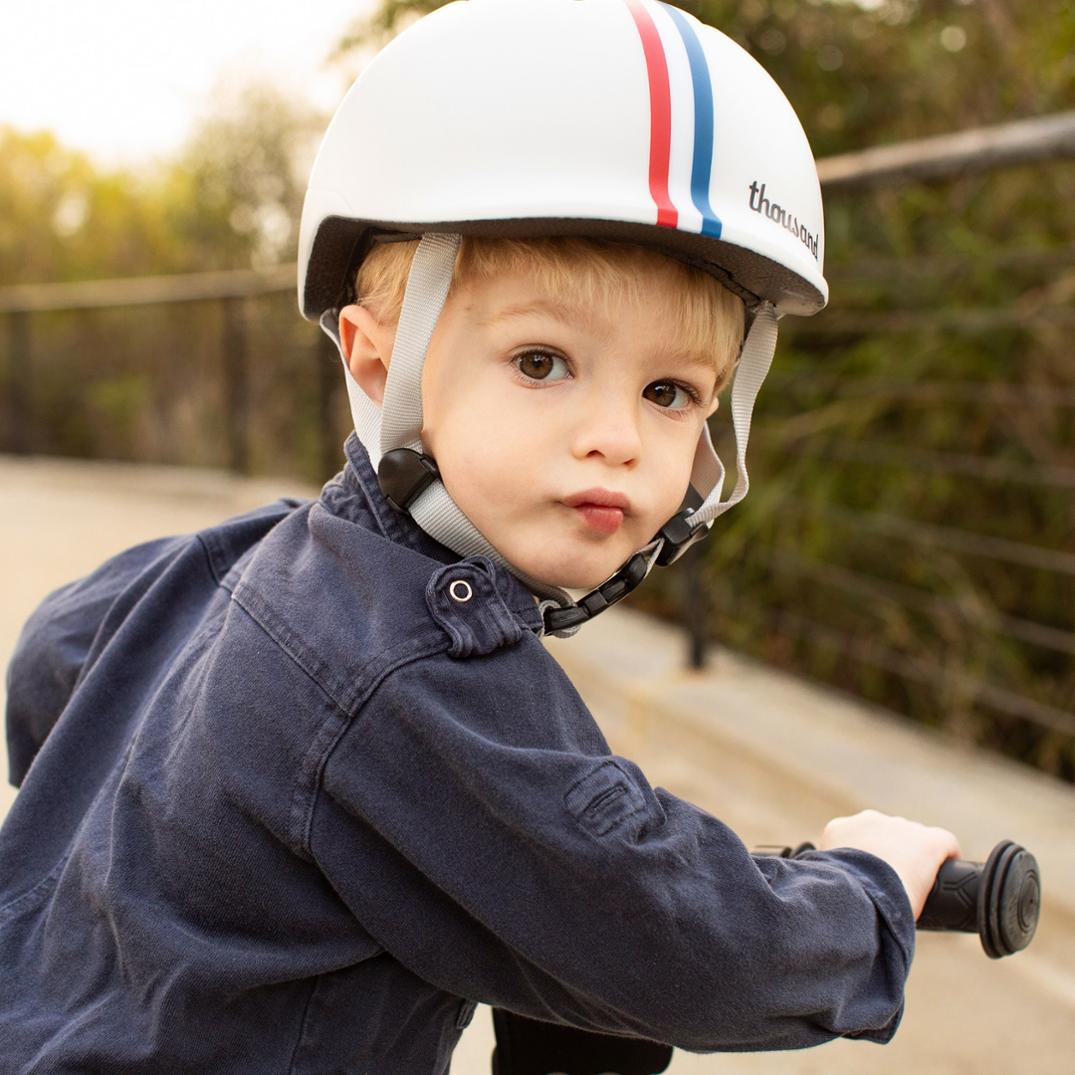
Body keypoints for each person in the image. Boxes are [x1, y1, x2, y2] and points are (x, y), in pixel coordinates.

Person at [0, 1, 960, 1072]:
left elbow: (53, 663)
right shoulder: (417, 674)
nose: (615, 439)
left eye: (669, 390)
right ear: (379, 364)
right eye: (541, 362)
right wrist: (867, 889)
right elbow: (697, 958)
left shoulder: (235, 564)